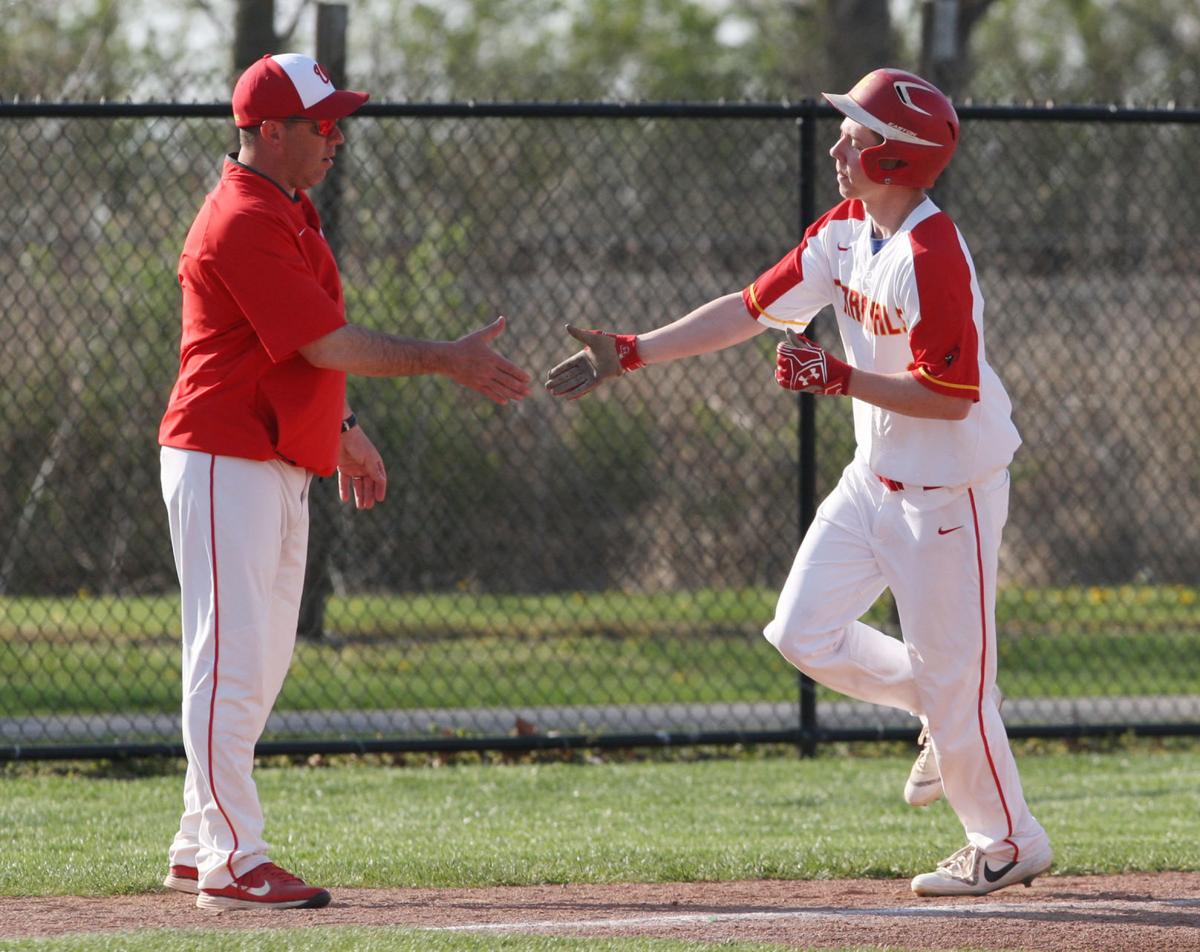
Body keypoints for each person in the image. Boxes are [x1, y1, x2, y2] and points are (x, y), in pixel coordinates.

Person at [544, 68, 1050, 897]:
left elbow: (951, 400)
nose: (839, 143)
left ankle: (1006, 840)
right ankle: (945, 704)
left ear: (894, 156)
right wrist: (631, 351)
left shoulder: (933, 253)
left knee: (958, 683)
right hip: (874, 478)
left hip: (948, 491)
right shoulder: (847, 229)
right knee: (802, 632)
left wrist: (841, 378)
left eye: (856, 132)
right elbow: (751, 309)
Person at [158, 52, 531, 912]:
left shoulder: (290, 210)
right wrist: (447, 361)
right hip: (225, 453)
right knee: (229, 661)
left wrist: (346, 429)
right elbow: (325, 344)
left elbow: (300, 347)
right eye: (322, 124)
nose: (336, 136)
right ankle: (232, 859)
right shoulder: (243, 217)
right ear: (269, 131)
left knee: (259, 660)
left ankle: (196, 838)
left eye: (337, 121)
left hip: (273, 453)